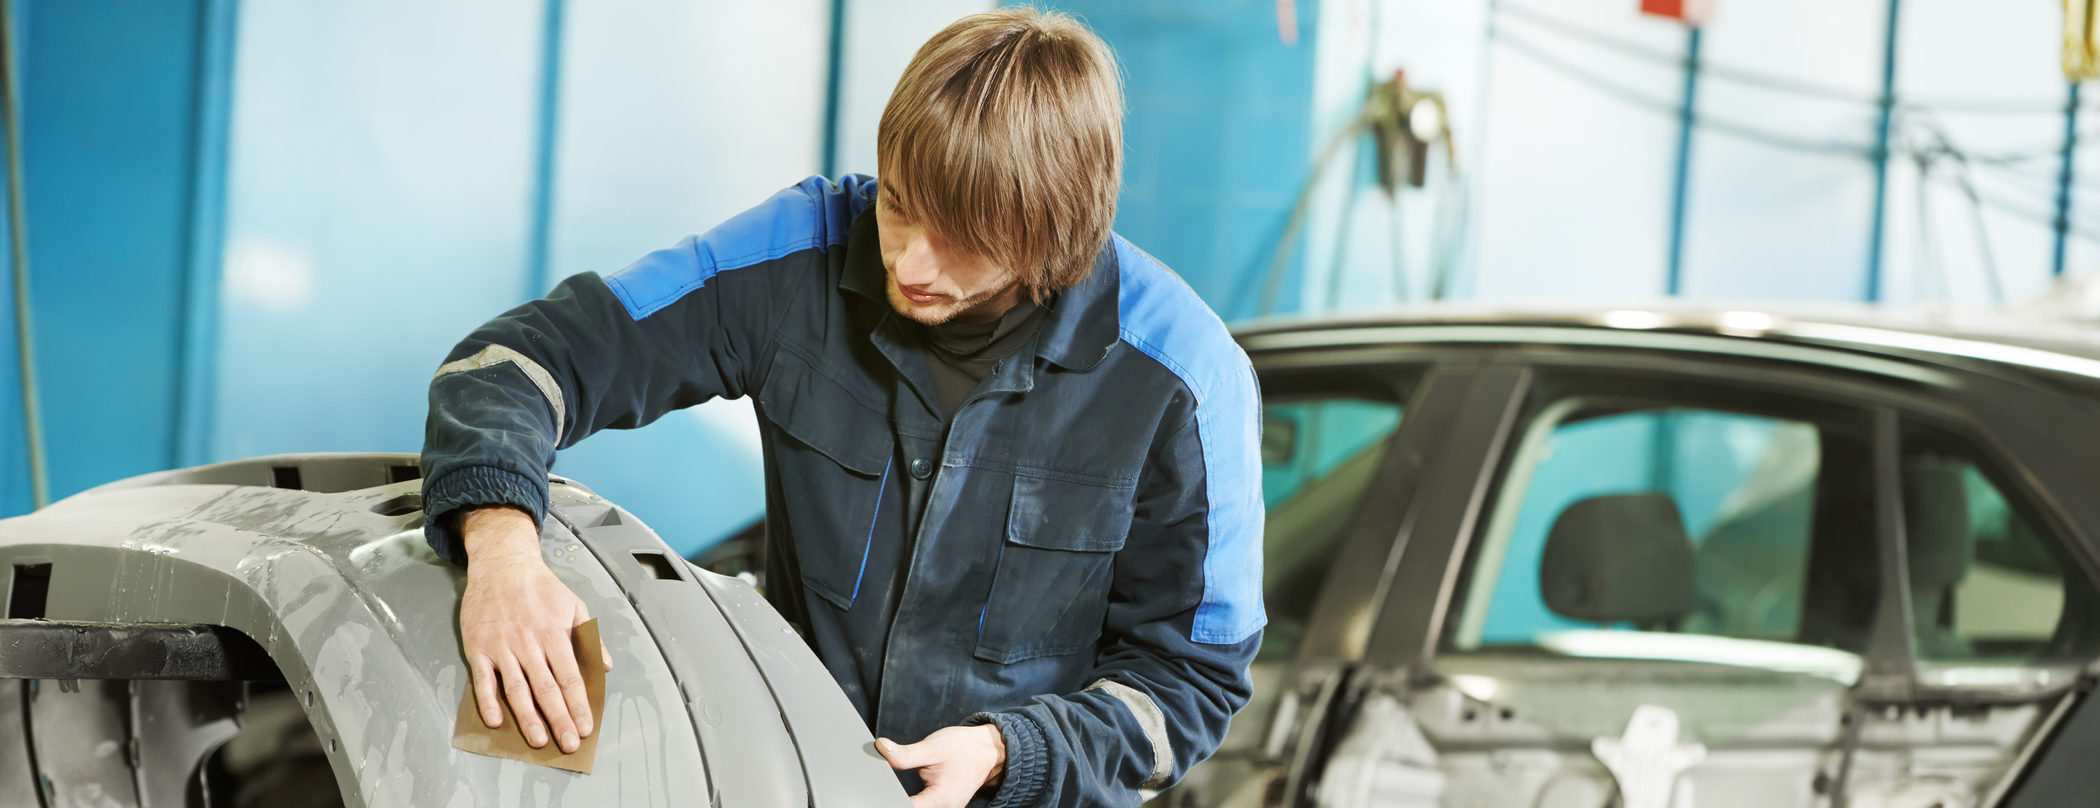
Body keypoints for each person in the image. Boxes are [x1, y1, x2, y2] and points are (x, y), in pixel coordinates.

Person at [420, 9, 1264, 807]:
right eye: (899, 203)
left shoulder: (1186, 380)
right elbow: (514, 363)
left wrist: (1012, 750)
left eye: (962, 235)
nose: (908, 259)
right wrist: (500, 549)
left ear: (1053, 233)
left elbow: (1191, 683)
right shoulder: (800, 255)